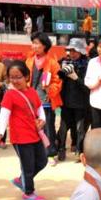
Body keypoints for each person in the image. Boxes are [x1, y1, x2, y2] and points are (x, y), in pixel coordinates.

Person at [0, 60, 48, 200]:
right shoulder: (10, 95)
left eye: (18, 77)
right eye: (12, 77)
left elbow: (40, 108)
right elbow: (3, 115)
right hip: (21, 138)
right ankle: (28, 192)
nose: (15, 80)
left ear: (26, 77)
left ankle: (21, 179)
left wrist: (42, 119)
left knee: (42, 161)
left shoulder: (32, 92)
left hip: (34, 135)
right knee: (28, 166)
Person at [26, 32, 63, 162]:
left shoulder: (53, 63)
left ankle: (51, 153)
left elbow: (58, 82)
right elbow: (25, 79)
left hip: (46, 100)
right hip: (31, 101)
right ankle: (37, 152)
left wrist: (49, 90)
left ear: (44, 45)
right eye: (33, 43)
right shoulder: (29, 61)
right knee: (33, 127)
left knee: (48, 127)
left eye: (37, 43)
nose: (34, 46)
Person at [56, 37, 90, 160]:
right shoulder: (64, 62)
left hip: (81, 102)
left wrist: (76, 77)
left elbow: (87, 87)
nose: (72, 54)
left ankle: (80, 151)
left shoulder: (88, 65)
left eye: (75, 51)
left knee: (80, 128)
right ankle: (61, 149)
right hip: (66, 101)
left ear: (81, 51)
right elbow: (57, 77)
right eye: (70, 51)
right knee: (63, 127)